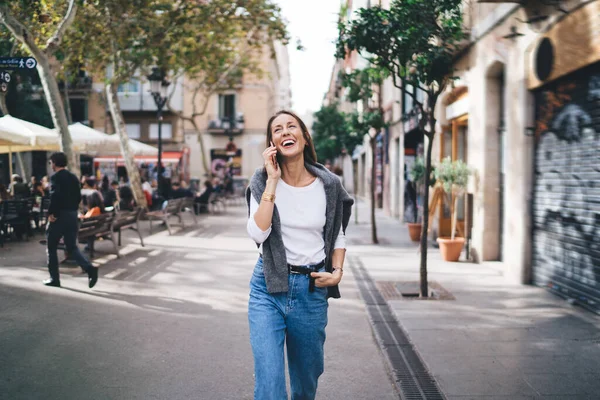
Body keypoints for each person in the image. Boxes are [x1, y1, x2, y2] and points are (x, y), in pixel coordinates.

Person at [246, 110, 354, 400]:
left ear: (305, 137)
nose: (285, 132)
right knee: (270, 383)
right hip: (268, 288)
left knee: (306, 382)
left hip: (311, 289)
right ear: (272, 143)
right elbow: (258, 234)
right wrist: (272, 181)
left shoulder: (328, 184)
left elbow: (336, 234)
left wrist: (338, 272)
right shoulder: (261, 180)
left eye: (291, 126)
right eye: (277, 129)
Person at [44, 152, 98, 288]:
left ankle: (54, 278)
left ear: (54, 163)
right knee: (71, 246)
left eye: (51, 163)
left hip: (59, 215)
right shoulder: (74, 177)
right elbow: (78, 197)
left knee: (51, 246)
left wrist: (52, 214)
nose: (51, 165)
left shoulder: (56, 177)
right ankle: (89, 268)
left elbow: (54, 196)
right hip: (72, 214)